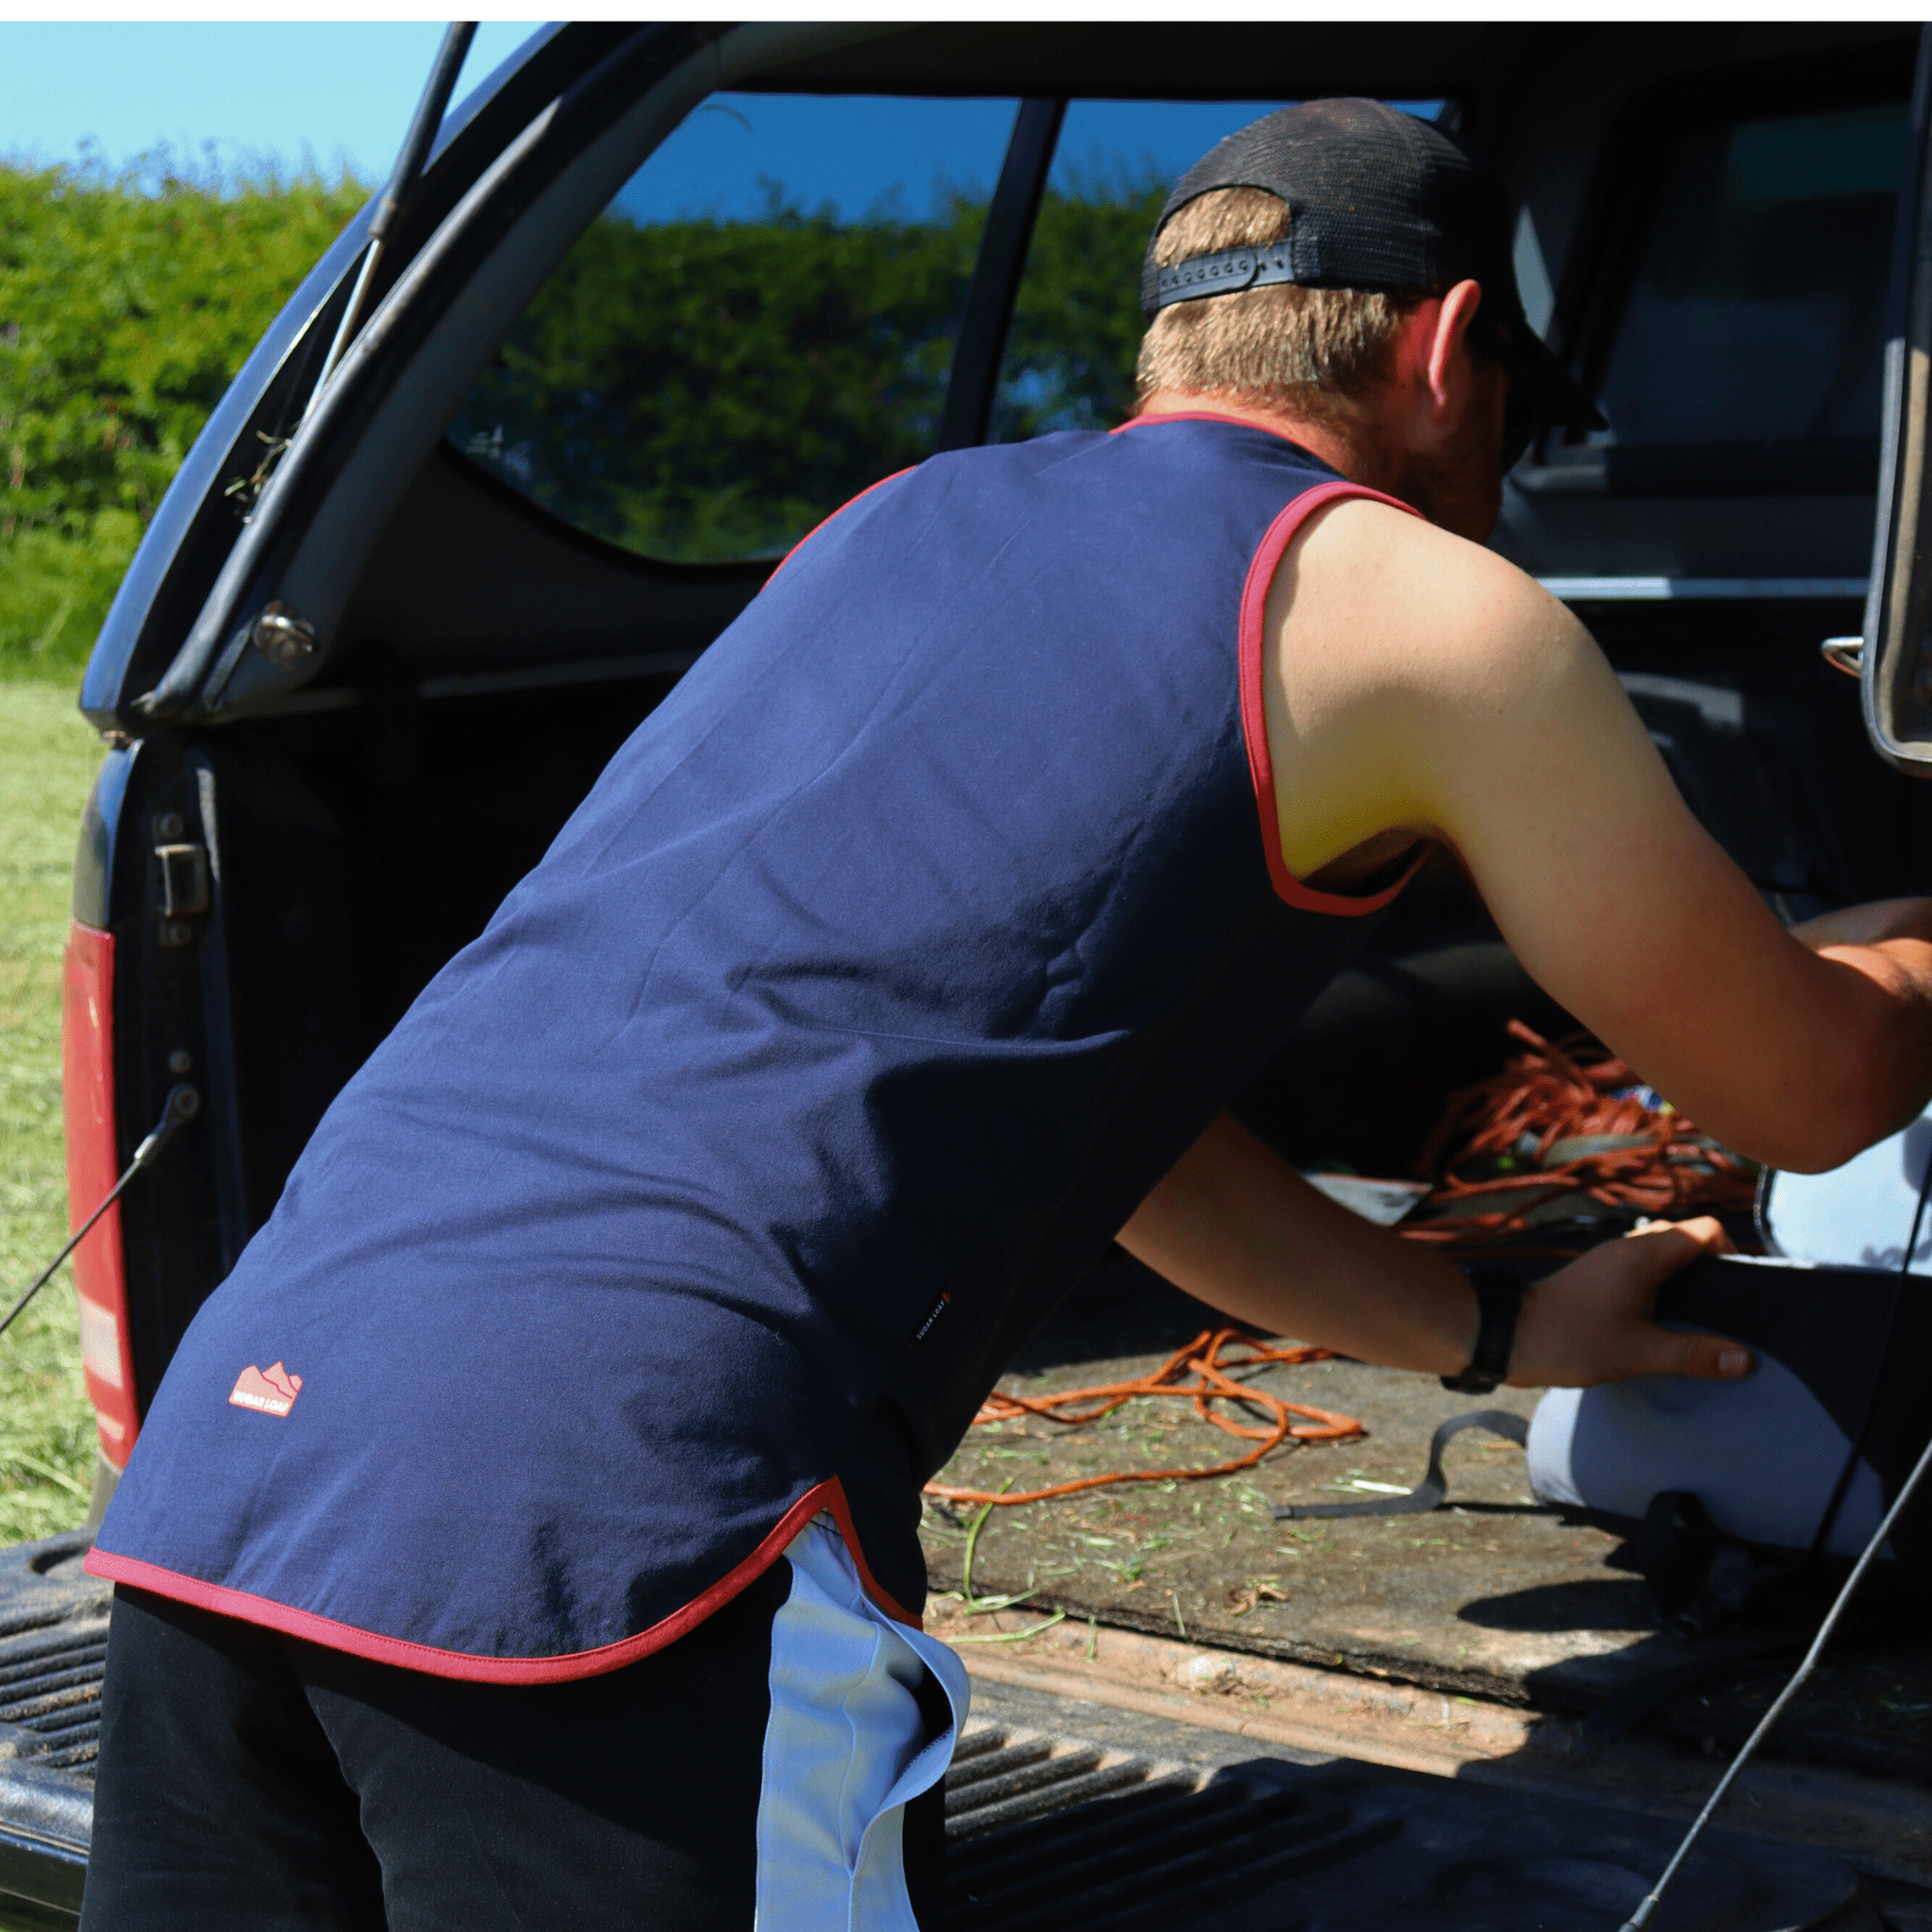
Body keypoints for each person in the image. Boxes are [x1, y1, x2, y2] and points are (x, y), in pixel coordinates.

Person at [77, 99, 1932, 1930]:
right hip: (614, 1534)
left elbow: (1115, 1133)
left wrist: (1498, 1331)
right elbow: (1812, 1084)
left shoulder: (892, 521)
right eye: (1524, 414)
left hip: (234, 1473)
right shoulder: (1423, 604)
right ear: (1452, 353)